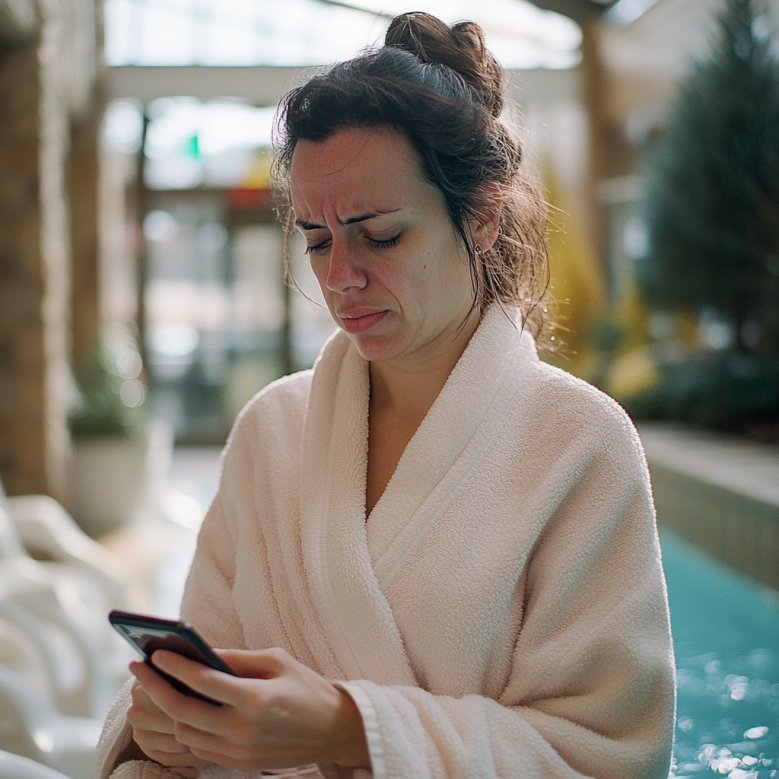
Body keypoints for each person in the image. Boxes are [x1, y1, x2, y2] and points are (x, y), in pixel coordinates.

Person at [97, 11, 676, 779]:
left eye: (380, 235)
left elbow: (610, 754)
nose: (339, 276)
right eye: (315, 238)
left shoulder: (577, 443)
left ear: (480, 217)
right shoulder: (272, 429)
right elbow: (203, 668)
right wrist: (162, 724)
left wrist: (348, 731)